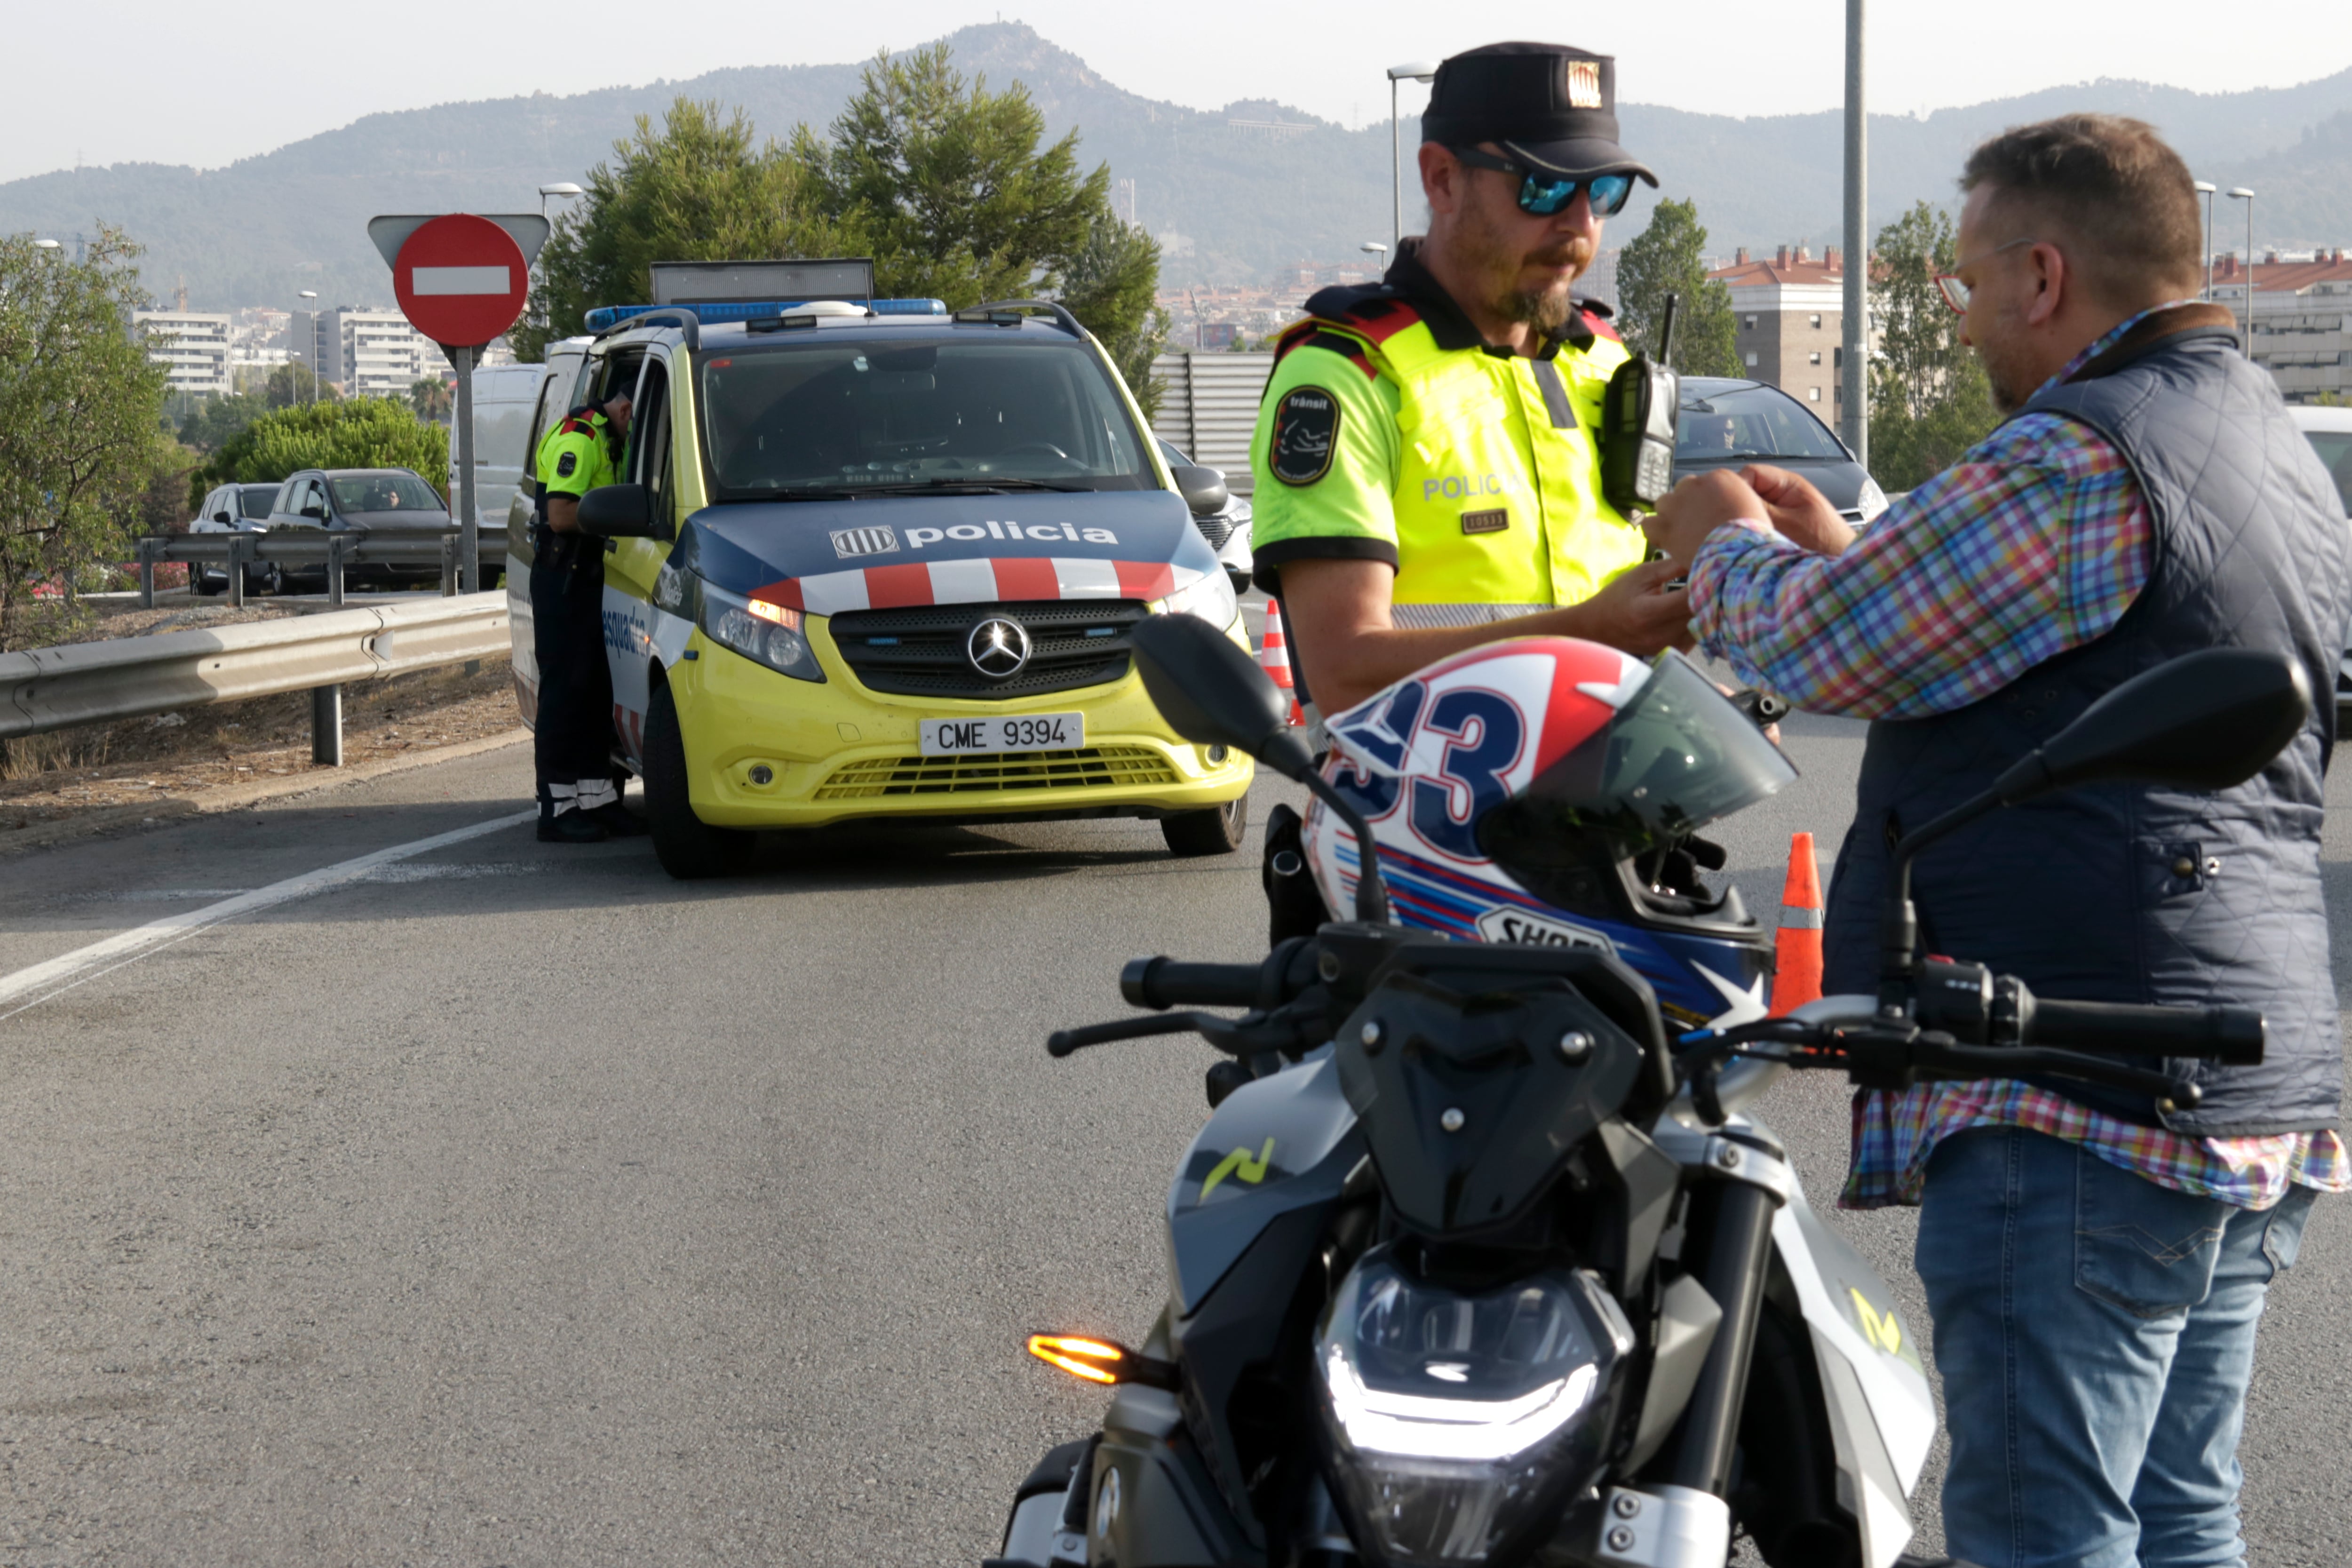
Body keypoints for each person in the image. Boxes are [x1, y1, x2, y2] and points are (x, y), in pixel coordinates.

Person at [1645, 115, 2348, 1568]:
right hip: (2241, 1069)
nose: (1960, 316)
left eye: (1966, 284)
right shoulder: (2264, 442)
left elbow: (1827, 645)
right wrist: (1854, 550)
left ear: (2042, 274)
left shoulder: (2081, 456)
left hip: (2074, 1084)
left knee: (2041, 1534)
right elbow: (2083, 656)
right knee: (2177, 1516)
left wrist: (1715, 537)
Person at [1246, 41, 1692, 722]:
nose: (1580, 229)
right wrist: (1592, 634)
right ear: (1443, 179)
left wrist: (1698, 702)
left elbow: (1634, 624)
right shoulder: (1348, 374)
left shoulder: (1606, 364)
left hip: (1610, 817)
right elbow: (1342, 672)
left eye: (1603, 192)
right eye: (1542, 187)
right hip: (1414, 822)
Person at [531, 389, 646, 844]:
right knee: (564, 695)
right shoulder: (580, 437)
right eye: (634, 421)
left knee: (595, 690)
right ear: (623, 410)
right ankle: (556, 808)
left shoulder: (607, 439)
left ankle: (597, 798)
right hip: (564, 579)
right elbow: (560, 514)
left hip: (589, 579)